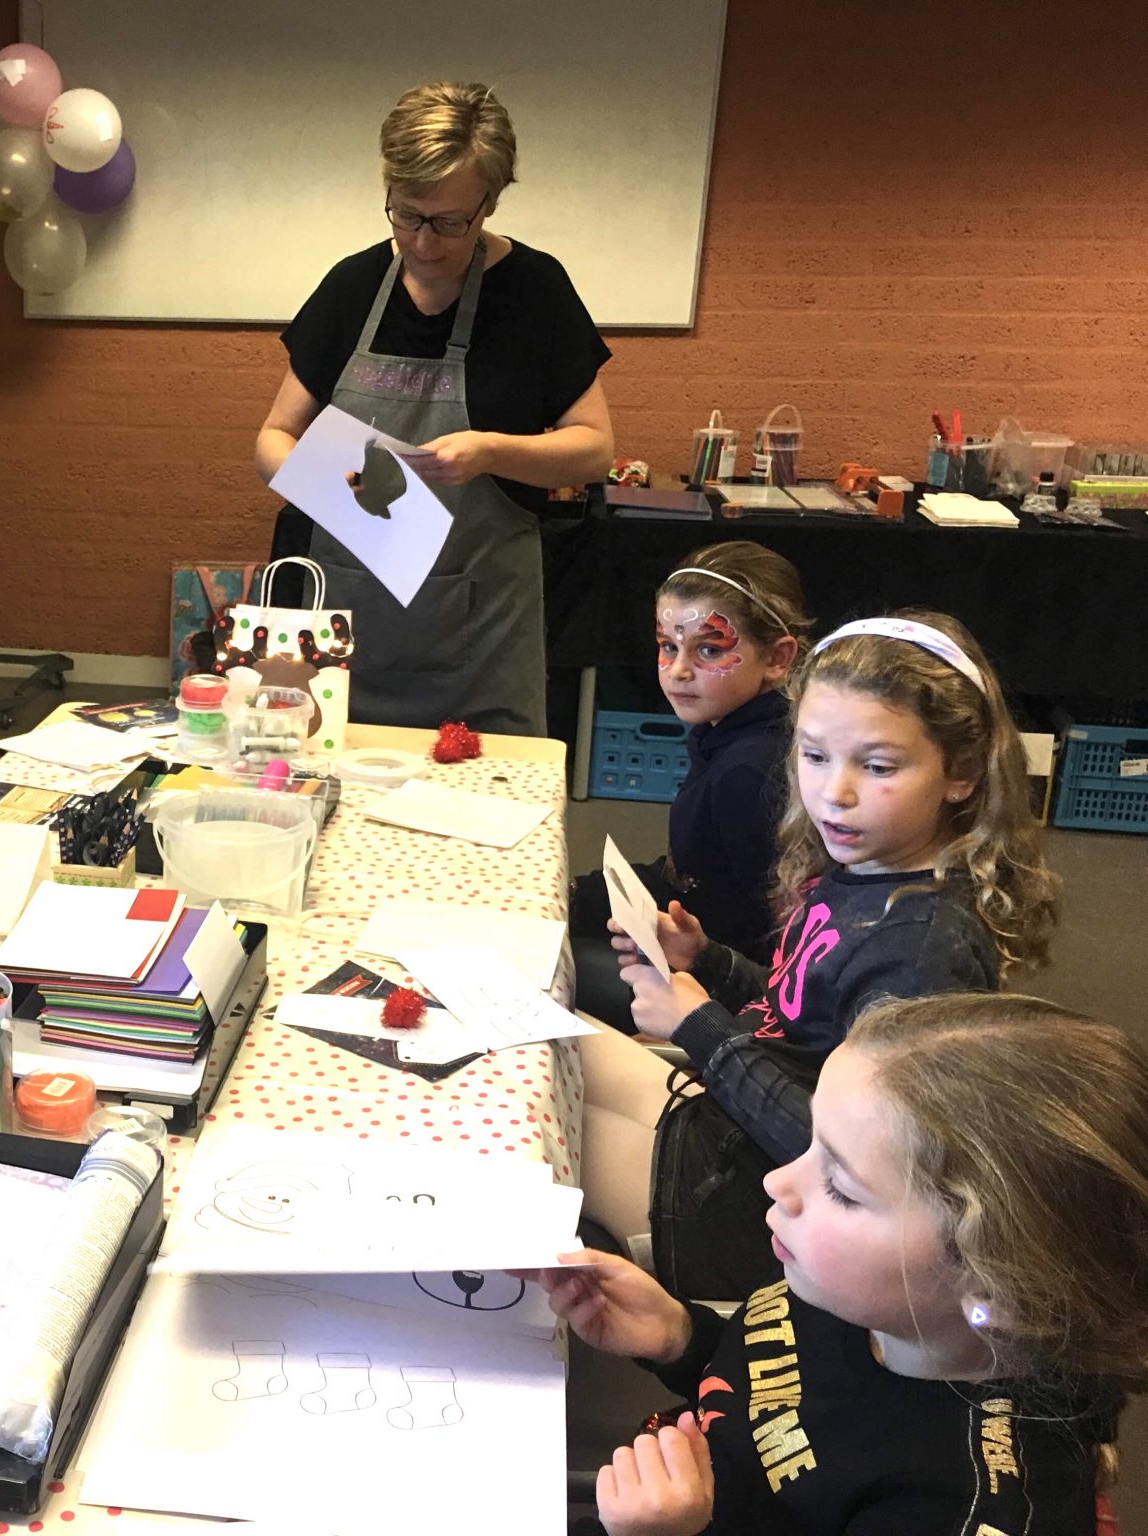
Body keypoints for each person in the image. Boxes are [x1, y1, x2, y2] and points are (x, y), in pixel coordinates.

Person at [531, 992, 1141, 1536]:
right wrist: (681, 1338)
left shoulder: (958, 1508)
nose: (776, 1182)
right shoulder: (856, 1292)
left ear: (997, 1288)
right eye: (810, 1146)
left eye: (843, 1189)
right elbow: (781, 1388)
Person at [581, 611, 1059, 1292]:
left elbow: (859, 1161)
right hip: (726, 1125)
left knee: (535, 1132)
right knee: (539, 1051)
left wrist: (698, 1028)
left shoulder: (924, 952)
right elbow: (801, 1012)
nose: (834, 793)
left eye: (878, 765)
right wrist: (706, 960)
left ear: (961, 773)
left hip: (754, 1201)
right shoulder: (864, 867)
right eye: (814, 756)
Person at [252, 80, 614, 735]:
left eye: (449, 222)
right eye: (406, 215)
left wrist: (491, 452)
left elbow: (594, 450)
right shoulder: (353, 286)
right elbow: (274, 437)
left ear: (490, 201)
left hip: (482, 645)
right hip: (347, 638)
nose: (423, 243)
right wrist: (332, 488)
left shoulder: (535, 292)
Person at [569, 543, 809, 1031]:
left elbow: (770, 933)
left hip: (726, 989)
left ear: (778, 658)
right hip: (688, 935)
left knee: (548, 967)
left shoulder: (749, 772)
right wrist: (574, 894)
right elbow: (694, 873)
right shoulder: (725, 733)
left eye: (709, 650)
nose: (678, 670)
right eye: (668, 646)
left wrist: (688, 963)